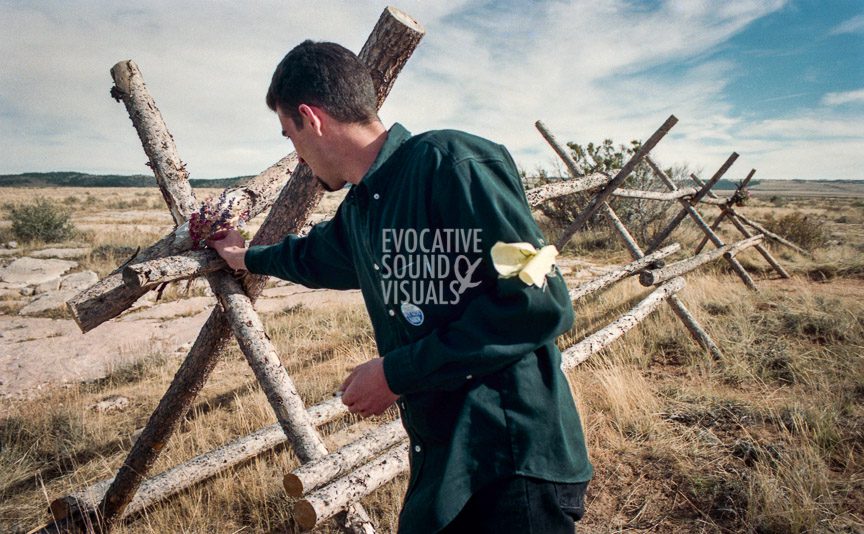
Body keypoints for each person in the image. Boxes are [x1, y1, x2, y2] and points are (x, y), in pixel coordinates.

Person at [208, 40, 593, 533]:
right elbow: (314, 256)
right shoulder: (364, 211)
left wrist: (396, 372)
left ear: (312, 118)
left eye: (289, 134)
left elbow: (538, 305)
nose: (297, 155)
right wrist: (246, 257)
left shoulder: (451, 164)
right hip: (445, 465)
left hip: (510, 458)